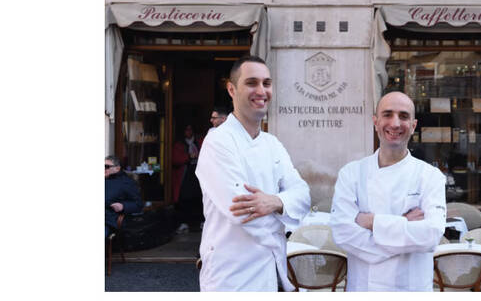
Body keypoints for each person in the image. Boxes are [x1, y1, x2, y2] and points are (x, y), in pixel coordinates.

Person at [195, 56, 310, 291]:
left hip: (269, 271)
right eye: (251, 83)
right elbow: (241, 212)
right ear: (231, 89)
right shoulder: (218, 142)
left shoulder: (272, 143)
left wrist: (275, 201)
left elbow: (304, 195)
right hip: (231, 274)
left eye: (266, 83)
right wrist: (284, 213)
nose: (261, 91)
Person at [329, 91, 447, 291]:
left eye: (403, 116)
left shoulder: (430, 176)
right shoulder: (351, 173)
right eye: (387, 114)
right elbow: (342, 233)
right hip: (364, 288)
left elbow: (431, 234)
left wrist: (372, 222)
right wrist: (404, 225)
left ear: (413, 126)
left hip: (412, 288)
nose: (395, 123)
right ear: (375, 122)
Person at [172, 124, 204, 233]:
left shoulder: (200, 141)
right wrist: (189, 157)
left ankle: (202, 221)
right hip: (185, 174)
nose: (188, 132)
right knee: (184, 198)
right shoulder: (179, 144)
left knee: (200, 197)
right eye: (186, 129)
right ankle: (184, 223)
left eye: (190, 129)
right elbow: (175, 159)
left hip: (200, 173)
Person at [105, 155, 143, 238]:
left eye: (106, 167)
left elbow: (138, 204)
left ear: (117, 168)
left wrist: (123, 206)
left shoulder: (126, 183)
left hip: (108, 221)